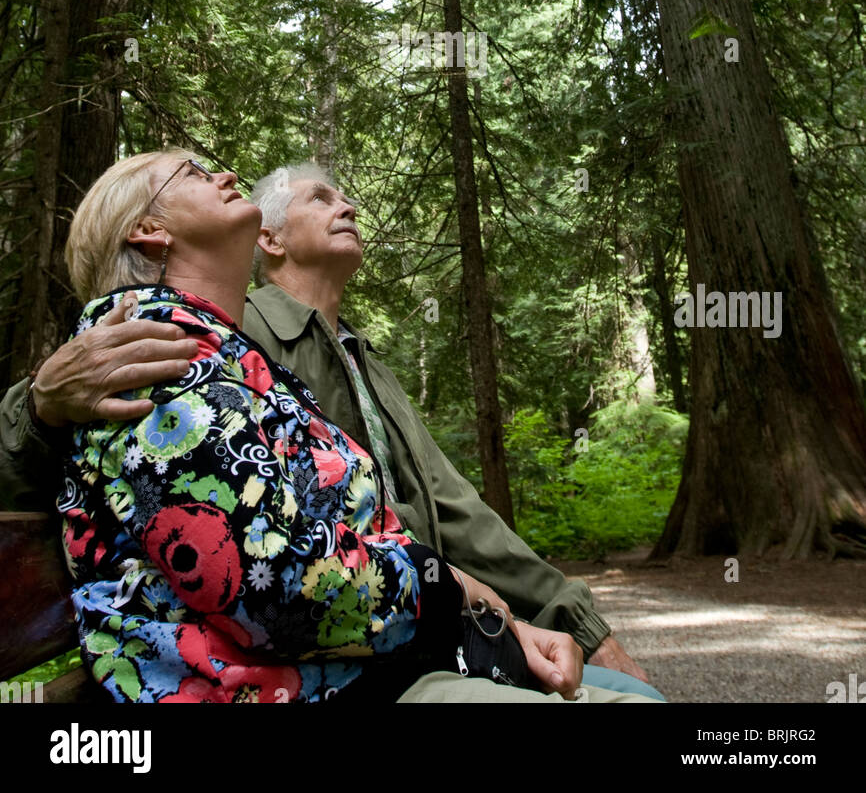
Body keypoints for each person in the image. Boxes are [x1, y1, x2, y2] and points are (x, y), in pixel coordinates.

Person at [1, 160, 662, 700]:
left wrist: (544, 618)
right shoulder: (187, 339)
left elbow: (455, 506)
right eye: (322, 198)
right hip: (341, 659)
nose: (348, 206)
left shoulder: (347, 359)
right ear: (272, 240)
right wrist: (39, 402)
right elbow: (274, 582)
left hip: (409, 637)